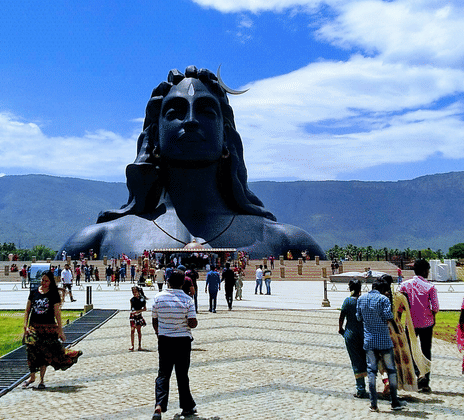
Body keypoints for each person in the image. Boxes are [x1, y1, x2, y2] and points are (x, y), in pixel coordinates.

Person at [59, 66, 323, 261]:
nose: (191, 120)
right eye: (175, 111)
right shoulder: (97, 239)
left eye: (206, 110)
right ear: (154, 137)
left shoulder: (286, 241)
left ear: (226, 137)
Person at [21, 270, 82, 389]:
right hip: (34, 327)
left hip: (48, 328)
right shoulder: (34, 293)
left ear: (50, 282)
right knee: (31, 351)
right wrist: (25, 325)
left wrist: (60, 330)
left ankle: (41, 380)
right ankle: (32, 377)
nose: (43, 283)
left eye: (46, 281)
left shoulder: (53, 295)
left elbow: (57, 313)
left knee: (44, 354)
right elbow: (27, 310)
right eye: (42, 280)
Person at [151, 271, 198, 420]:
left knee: (163, 374)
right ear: (183, 283)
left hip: (165, 340)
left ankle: (159, 405)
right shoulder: (188, 300)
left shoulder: (158, 298)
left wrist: (159, 333)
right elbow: (192, 323)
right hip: (183, 341)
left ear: (168, 282)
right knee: (182, 375)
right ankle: (187, 406)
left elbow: (154, 320)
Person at [357, 277, 405, 412]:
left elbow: (358, 317)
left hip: (369, 341)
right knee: (391, 370)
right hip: (384, 341)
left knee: (371, 371)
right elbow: (388, 316)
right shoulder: (383, 299)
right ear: (382, 289)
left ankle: (373, 404)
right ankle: (394, 402)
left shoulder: (361, 299)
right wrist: (396, 330)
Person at [399, 259, 440, 392]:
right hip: (427, 323)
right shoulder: (430, 287)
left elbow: (400, 305)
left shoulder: (404, 285)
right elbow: (435, 307)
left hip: (410, 323)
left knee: (410, 349)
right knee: (426, 350)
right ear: (424, 270)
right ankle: (425, 379)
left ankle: (416, 373)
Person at [339, 279, 368, 399]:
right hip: (364, 333)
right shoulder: (364, 300)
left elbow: (342, 316)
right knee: (367, 359)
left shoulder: (348, 301)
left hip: (351, 334)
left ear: (350, 288)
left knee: (356, 360)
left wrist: (340, 329)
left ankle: (361, 389)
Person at [129, 286, 147, 351]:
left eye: (135, 292)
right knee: (132, 330)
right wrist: (133, 312)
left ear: (138, 292)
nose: (134, 294)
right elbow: (131, 308)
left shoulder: (142, 299)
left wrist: (137, 311)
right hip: (133, 316)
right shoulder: (132, 300)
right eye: (133, 292)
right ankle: (132, 345)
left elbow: (145, 309)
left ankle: (139, 345)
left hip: (138, 316)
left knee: (139, 331)